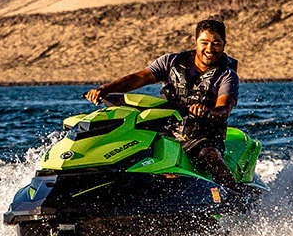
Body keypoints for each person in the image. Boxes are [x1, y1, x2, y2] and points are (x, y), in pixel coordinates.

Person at [85, 17, 243, 190]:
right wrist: (106, 89)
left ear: (224, 44)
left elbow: (224, 109)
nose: (209, 49)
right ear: (196, 42)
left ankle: (235, 200)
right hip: (166, 129)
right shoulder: (170, 62)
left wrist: (206, 112)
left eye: (216, 43)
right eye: (204, 42)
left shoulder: (227, 76)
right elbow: (138, 78)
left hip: (203, 135)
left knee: (209, 155)